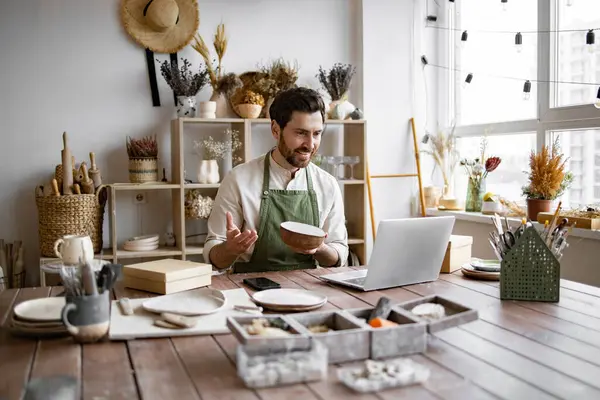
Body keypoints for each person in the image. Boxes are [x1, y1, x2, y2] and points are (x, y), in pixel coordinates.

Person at [204, 87, 349, 273]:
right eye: (301, 133)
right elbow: (214, 257)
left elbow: (339, 254)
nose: (310, 145)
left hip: (309, 289)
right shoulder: (238, 180)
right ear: (275, 129)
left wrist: (319, 248)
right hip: (250, 289)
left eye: (317, 133)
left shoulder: (328, 184)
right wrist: (229, 250)